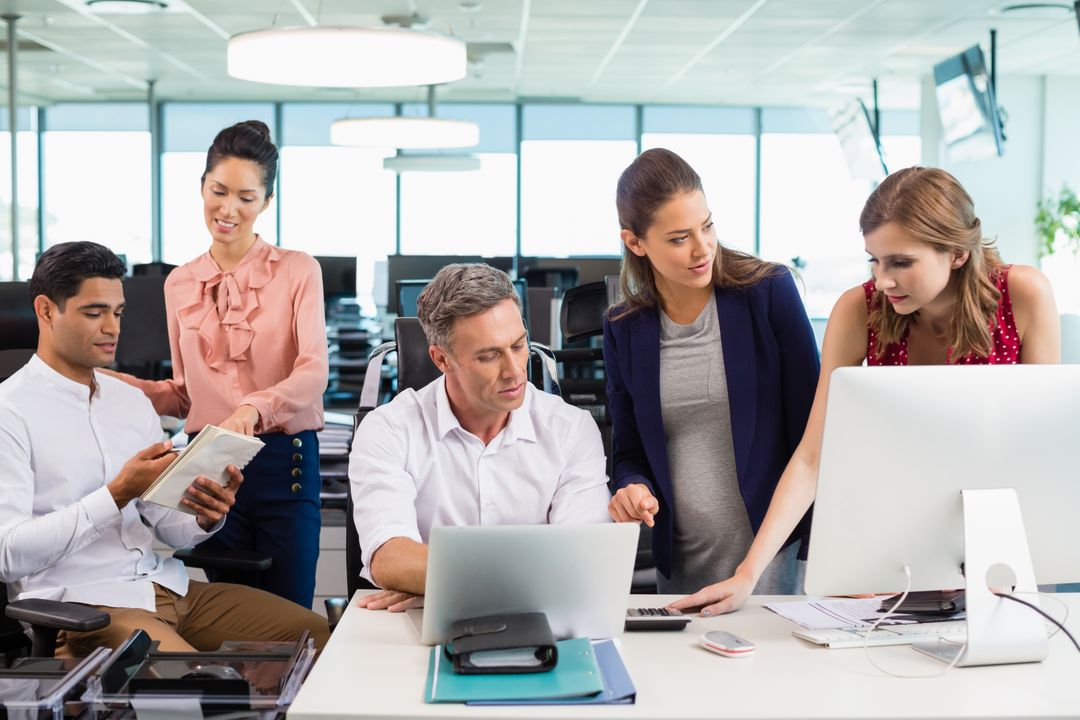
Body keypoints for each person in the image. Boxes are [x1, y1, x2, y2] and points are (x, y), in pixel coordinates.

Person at [669, 165, 1061, 617]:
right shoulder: (860, 310)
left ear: (955, 253)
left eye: (901, 262)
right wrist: (747, 574)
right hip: (894, 540)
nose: (883, 279)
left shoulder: (1023, 294)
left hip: (998, 542)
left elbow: (1037, 453)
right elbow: (812, 457)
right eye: (874, 260)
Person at [0, 241, 330, 656]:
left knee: (322, 641)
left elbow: (165, 524)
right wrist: (117, 494)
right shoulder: (9, 411)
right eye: (94, 312)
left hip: (169, 589)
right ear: (46, 311)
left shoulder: (130, 403)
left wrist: (205, 514)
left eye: (117, 313)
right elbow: (7, 555)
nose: (112, 328)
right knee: (197, 687)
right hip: (85, 607)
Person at [112, 121, 328, 609]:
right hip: (208, 469)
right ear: (202, 187)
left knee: (290, 620)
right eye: (219, 191)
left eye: (246, 198)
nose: (228, 209)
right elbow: (186, 394)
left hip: (283, 463)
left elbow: (314, 372)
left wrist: (254, 408)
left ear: (266, 203)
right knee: (232, 625)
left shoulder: (298, 270)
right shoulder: (180, 284)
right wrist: (116, 384)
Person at [603, 148, 820, 596]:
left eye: (707, 226)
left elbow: (815, 439)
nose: (703, 249)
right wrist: (631, 487)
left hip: (776, 562)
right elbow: (628, 452)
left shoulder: (768, 293)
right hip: (681, 571)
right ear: (635, 242)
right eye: (679, 238)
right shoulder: (624, 327)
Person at [349, 263, 612, 612]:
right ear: (441, 359)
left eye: (519, 346)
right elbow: (390, 558)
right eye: (489, 356)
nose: (515, 371)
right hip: (416, 628)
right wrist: (533, 574)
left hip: (543, 626)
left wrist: (442, 581)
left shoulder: (570, 428)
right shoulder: (389, 428)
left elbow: (583, 558)